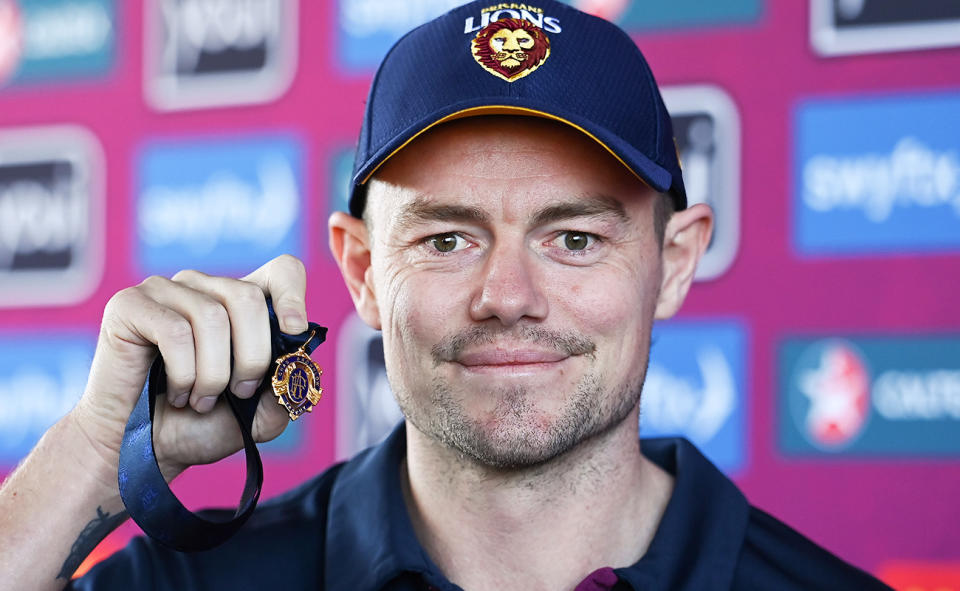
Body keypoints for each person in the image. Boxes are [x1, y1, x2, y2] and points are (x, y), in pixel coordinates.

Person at [0, 1, 892, 590]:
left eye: (574, 238)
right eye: (447, 238)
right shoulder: (193, 581)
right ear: (360, 272)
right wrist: (90, 453)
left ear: (677, 260)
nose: (507, 296)